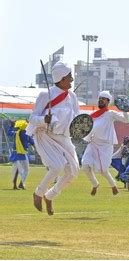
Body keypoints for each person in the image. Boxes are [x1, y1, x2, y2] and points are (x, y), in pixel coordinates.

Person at [26, 61, 80, 215]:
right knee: (57, 166)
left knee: (73, 172)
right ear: (62, 78)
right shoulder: (46, 95)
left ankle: (49, 196)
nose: (71, 80)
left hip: (64, 137)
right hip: (45, 135)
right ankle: (38, 193)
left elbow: (77, 117)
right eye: (69, 76)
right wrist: (45, 119)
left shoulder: (73, 96)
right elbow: (32, 117)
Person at [81, 91, 129, 196]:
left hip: (105, 146)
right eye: (100, 99)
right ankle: (95, 184)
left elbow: (126, 120)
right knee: (84, 165)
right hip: (93, 143)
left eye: (103, 99)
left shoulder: (110, 114)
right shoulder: (92, 116)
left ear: (108, 101)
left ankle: (113, 185)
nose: (100, 100)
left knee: (103, 170)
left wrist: (125, 110)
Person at [8, 120, 35, 190]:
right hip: (22, 154)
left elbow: (9, 133)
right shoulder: (27, 134)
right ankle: (21, 183)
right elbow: (32, 142)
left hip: (15, 153)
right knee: (26, 170)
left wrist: (11, 125)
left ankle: (16, 185)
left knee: (17, 170)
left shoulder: (16, 133)